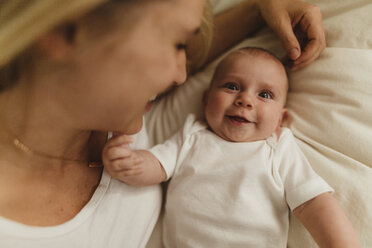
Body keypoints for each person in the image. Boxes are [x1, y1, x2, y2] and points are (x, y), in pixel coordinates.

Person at [0, 0, 328, 247]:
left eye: (185, 47)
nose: (182, 76)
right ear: (64, 31)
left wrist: (260, 8)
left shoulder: (116, 106)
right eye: (177, 45)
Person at [103, 48, 361, 247]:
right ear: (206, 100)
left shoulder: (277, 148)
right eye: (232, 86)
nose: (245, 99)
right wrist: (130, 163)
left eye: (265, 95)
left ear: (279, 120)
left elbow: (312, 203)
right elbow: (158, 166)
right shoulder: (192, 135)